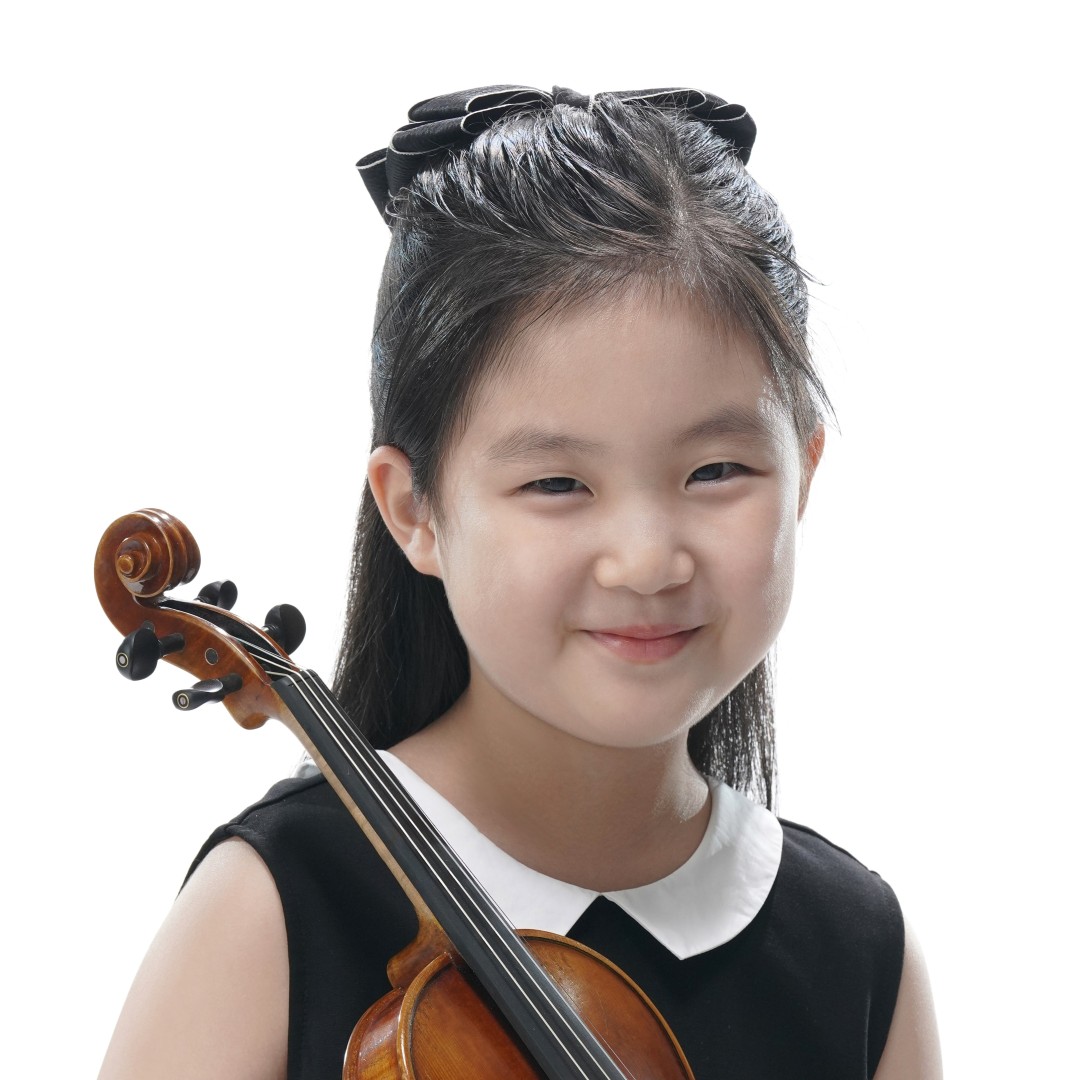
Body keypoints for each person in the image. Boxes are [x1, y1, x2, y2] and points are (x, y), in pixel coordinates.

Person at [97, 85, 942, 1080]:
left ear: (803, 472)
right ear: (414, 511)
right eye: (556, 484)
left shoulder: (858, 949)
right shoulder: (271, 912)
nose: (646, 561)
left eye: (716, 471)